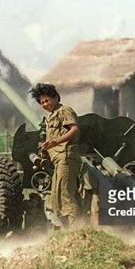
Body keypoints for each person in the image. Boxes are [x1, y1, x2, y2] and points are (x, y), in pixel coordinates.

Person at [30, 83, 81, 227]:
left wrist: (55, 141)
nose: (45, 104)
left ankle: (75, 232)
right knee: (55, 198)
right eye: (42, 102)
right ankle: (63, 230)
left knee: (65, 195)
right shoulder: (51, 117)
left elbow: (75, 129)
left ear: (55, 97)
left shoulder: (64, 110)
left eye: (47, 100)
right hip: (57, 160)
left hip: (66, 157)